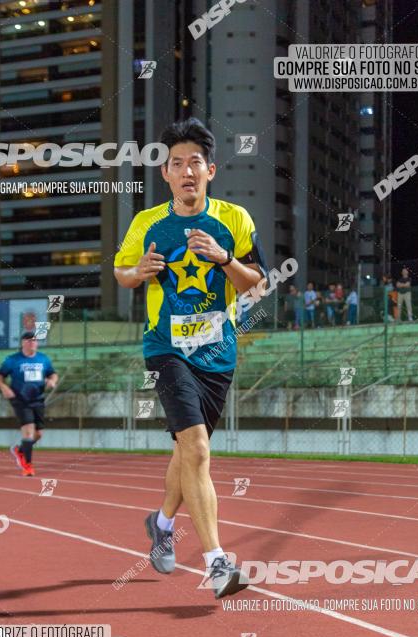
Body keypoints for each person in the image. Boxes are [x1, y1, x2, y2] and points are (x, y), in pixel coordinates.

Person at [113, 117, 267, 599]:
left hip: (218, 353)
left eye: (194, 162)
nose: (185, 171)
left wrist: (225, 259)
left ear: (211, 170)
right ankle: (218, 563)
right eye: (175, 163)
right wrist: (138, 271)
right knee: (198, 449)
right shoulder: (147, 224)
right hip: (167, 349)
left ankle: (160, 523)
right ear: (165, 174)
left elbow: (257, 284)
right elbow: (121, 272)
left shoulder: (235, 220)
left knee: (186, 452)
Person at [0, 331, 58, 476]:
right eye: (29, 340)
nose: (32, 343)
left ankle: (20, 450)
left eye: (34, 340)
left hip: (38, 399)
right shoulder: (12, 360)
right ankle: (28, 466)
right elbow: (0, 376)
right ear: (23, 343)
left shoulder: (43, 359)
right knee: (29, 431)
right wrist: (4, 387)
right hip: (20, 399)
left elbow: (52, 373)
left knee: (38, 434)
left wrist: (52, 380)